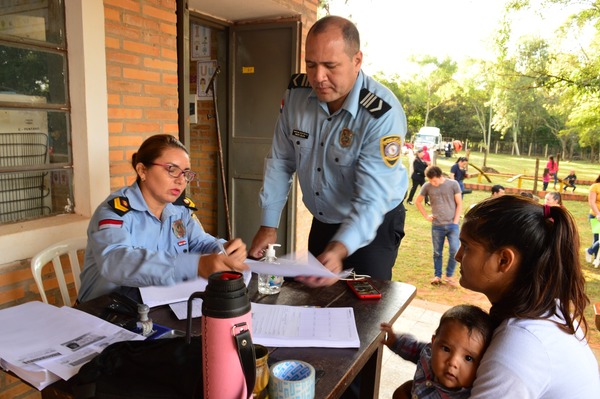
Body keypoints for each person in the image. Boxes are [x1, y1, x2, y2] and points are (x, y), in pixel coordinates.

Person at [249, 16, 408, 285]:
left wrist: (340, 248)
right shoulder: (296, 96)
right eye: (311, 65)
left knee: (365, 310)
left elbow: (372, 201)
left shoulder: (381, 114)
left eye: (330, 66)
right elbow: (281, 161)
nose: (318, 77)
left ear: (357, 61)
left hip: (375, 221)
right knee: (314, 299)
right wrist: (268, 226)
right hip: (325, 217)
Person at [456, 195, 600, 397]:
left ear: (504, 260)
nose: (457, 255)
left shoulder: (518, 349)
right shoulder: (548, 312)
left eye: (466, 247)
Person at [78, 134, 248, 302]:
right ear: (142, 170)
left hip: (155, 303)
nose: (181, 181)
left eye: (186, 173)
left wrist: (224, 249)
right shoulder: (115, 212)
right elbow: (116, 262)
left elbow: (199, 242)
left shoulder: (180, 210)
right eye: (172, 170)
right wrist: (195, 265)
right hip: (103, 311)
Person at [380, 304, 494, 399]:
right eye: (446, 349)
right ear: (434, 343)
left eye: (468, 358)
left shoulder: (469, 395)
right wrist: (395, 342)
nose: (453, 362)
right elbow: (415, 349)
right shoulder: (429, 355)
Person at [415, 166, 462, 286]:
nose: (432, 183)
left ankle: (449, 275)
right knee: (437, 252)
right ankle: (437, 276)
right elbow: (418, 201)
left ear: (441, 176)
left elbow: (459, 203)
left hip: (452, 225)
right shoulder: (427, 186)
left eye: (434, 181)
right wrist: (426, 216)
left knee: (454, 250)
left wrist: (455, 221)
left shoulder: (453, 184)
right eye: (430, 181)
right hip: (437, 225)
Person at [586, 174, 600, 267]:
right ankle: (596, 258)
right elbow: (591, 202)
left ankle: (590, 251)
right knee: (597, 237)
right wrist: (598, 213)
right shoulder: (595, 186)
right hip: (595, 215)